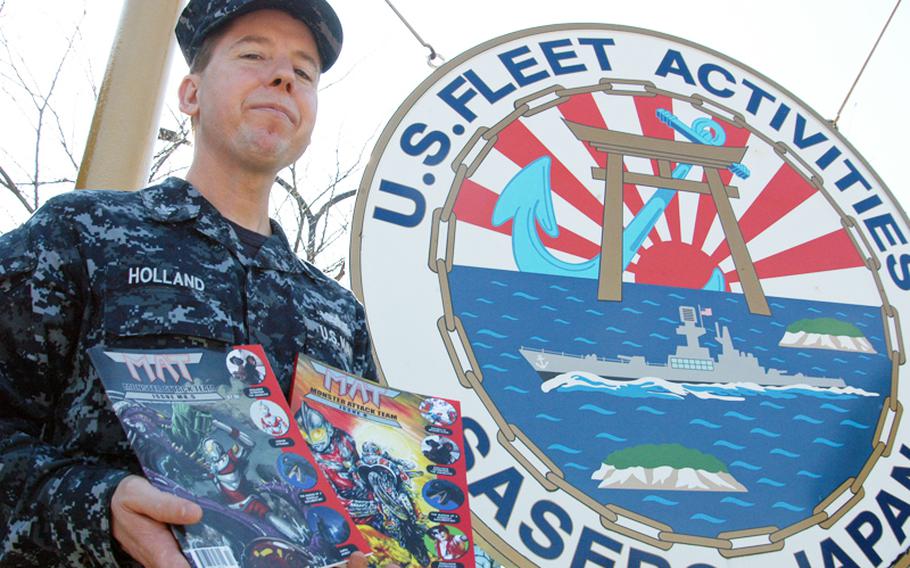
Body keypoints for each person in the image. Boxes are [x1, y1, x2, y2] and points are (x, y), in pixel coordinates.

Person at [0, 0, 379, 566]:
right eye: (253, 55)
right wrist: (101, 507)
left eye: (303, 72)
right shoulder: (82, 234)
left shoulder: (338, 314)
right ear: (191, 95)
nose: (283, 77)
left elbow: (360, 498)